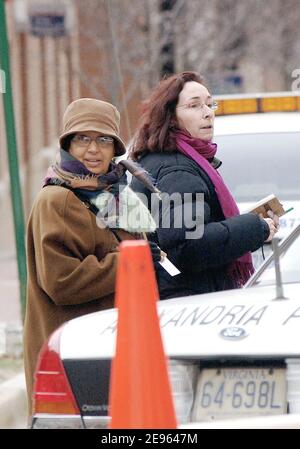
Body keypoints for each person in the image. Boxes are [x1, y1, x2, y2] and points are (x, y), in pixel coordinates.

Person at [24, 98, 161, 415]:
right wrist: (132, 261)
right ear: (67, 145)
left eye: (103, 140)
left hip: (112, 350)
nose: (93, 149)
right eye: (82, 138)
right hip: (72, 360)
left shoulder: (113, 192)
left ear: (115, 149)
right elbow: (62, 281)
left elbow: (140, 244)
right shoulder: (57, 198)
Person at [130, 71, 279, 300]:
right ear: (170, 117)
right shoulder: (177, 169)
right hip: (186, 304)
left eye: (210, 104)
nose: (208, 113)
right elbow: (188, 245)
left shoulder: (170, 160)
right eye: (194, 106)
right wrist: (255, 228)